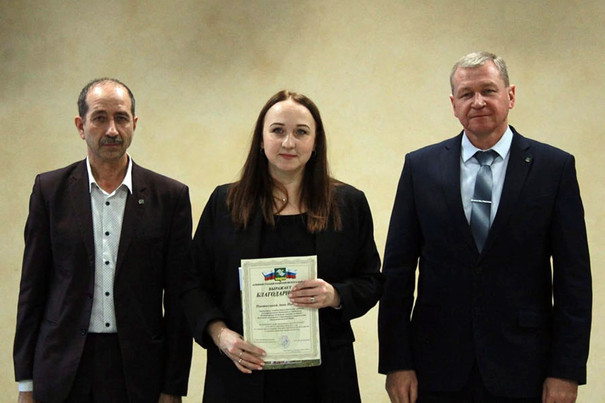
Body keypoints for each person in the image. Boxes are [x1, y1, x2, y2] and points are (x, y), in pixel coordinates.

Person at [378, 51, 592, 403]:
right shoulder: (421, 168)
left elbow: (574, 281)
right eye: (466, 94)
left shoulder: (553, 169)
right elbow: (397, 273)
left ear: (510, 95)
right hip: (436, 366)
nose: (477, 102)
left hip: (525, 367)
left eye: (488, 90)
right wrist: (396, 363)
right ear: (453, 104)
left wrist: (566, 370)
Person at [180, 90, 383, 402]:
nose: (289, 143)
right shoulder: (225, 203)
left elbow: (371, 281)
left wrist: (335, 295)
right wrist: (220, 335)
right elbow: (192, 283)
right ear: (261, 141)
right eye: (277, 131)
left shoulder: (349, 204)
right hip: (241, 374)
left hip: (325, 377)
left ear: (316, 142)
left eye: (301, 132)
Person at [13, 78, 193, 402]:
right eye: (99, 118)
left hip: (138, 371)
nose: (112, 130)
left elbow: (179, 302)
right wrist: (25, 384)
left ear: (134, 124)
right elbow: (32, 290)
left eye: (121, 118)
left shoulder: (169, 197)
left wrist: (173, 386)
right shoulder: (50, 192)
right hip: (63, 367)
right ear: (81, 126)